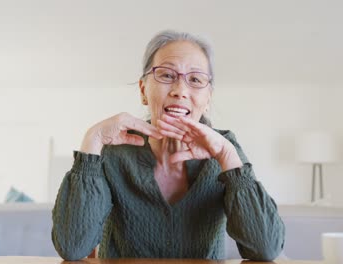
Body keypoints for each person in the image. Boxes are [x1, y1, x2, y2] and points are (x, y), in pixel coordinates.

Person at [51, 30, 285, 261]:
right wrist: (92, 139)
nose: (180, 91)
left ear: (207, 99)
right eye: (166, 75)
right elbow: (73, 247)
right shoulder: (113, 151)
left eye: (195, 79)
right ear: (143, 91)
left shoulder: (226, 149)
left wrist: (226, 156)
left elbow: (266, 248)